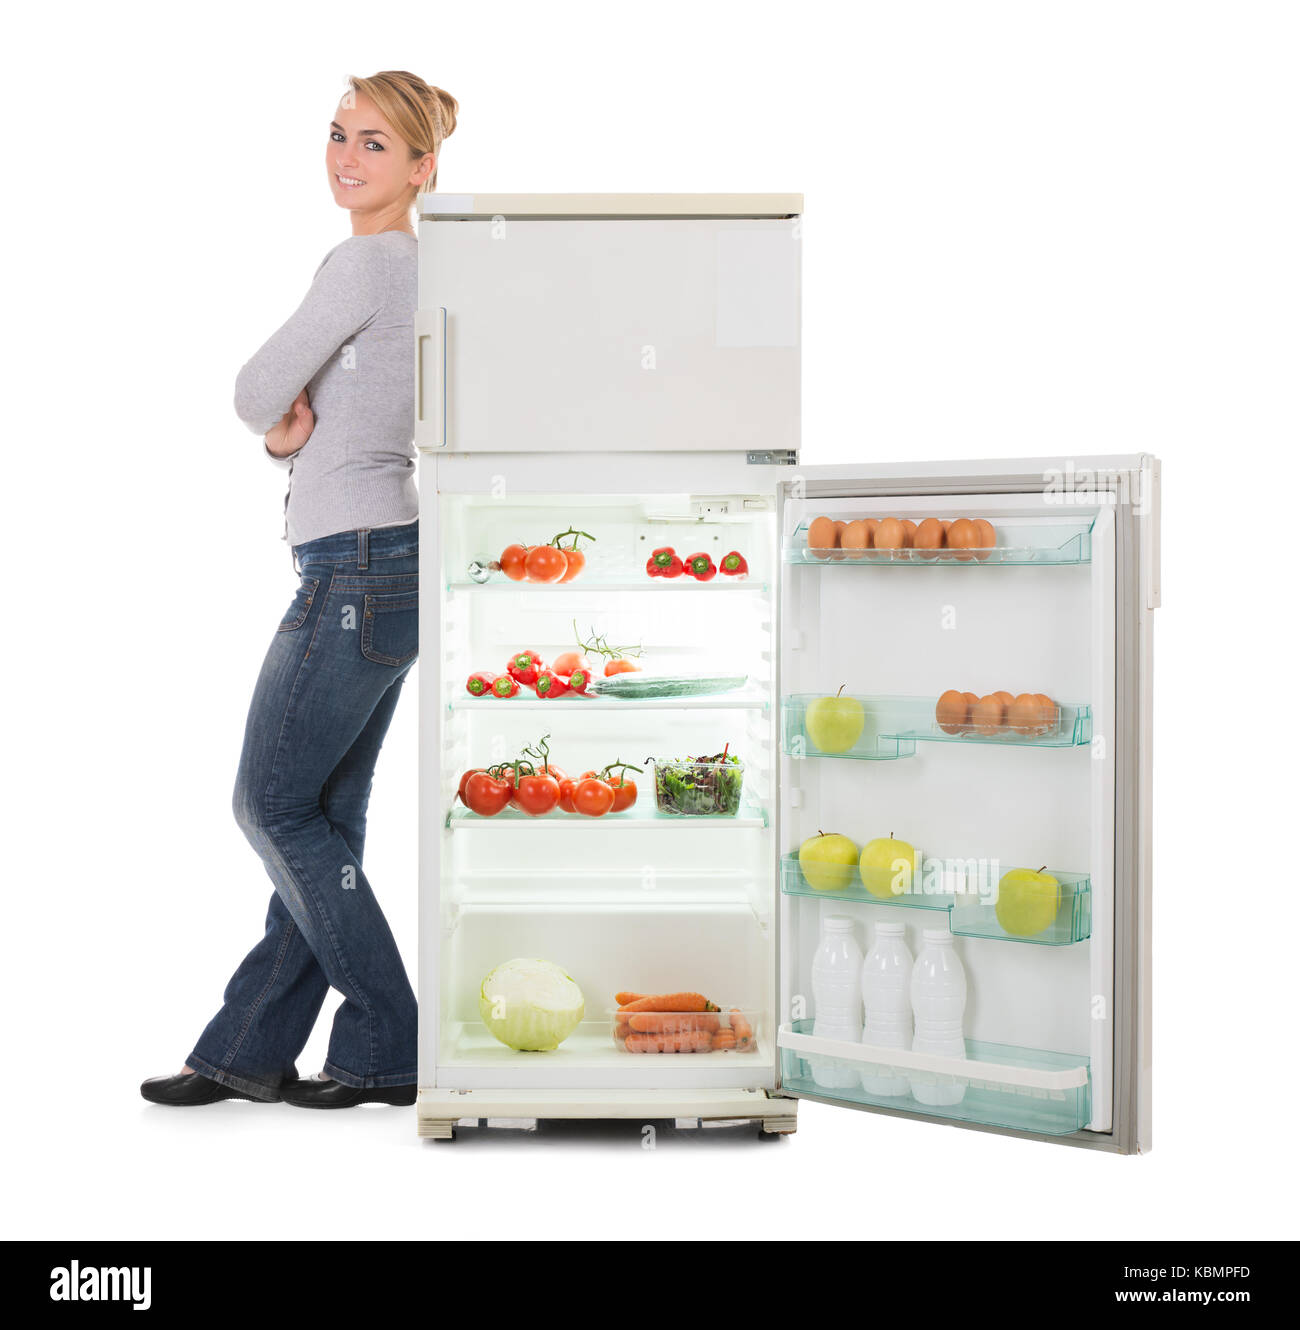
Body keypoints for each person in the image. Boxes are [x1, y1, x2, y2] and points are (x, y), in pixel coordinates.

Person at [141, 71, 457, 1110]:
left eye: (374, 144)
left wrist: (277, 427)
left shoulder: (365, 261)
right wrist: (290, 438)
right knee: (323, 814)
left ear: (420, 167)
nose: (345, 158)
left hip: (355, 566)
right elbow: (338, 416)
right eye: (337, 135)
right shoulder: (427, 266)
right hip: (388, 555)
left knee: (270, 803)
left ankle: (393, 1036)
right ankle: (248, 1048)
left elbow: (248, 389)